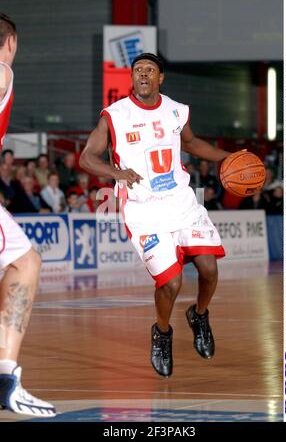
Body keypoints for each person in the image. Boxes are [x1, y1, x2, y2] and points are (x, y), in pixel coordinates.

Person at [80, 52, 230, 378]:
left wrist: (228, 157)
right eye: (137, 70)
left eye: (150, 70)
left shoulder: (176, 110)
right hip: (144, 211)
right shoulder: (114, 115)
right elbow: (87, 158)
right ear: (132, 77)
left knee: (209, 268)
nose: (143, 74)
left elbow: (190, 143)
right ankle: (162, 333)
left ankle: (199, 315)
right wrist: (116, 173)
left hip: (182, 202)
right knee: (171, 283)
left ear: (160, 78)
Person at [0, 14, 56, 416]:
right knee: (24, 261)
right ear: (12, 41)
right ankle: (5, 380)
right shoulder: (3, 69)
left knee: (24, 258)